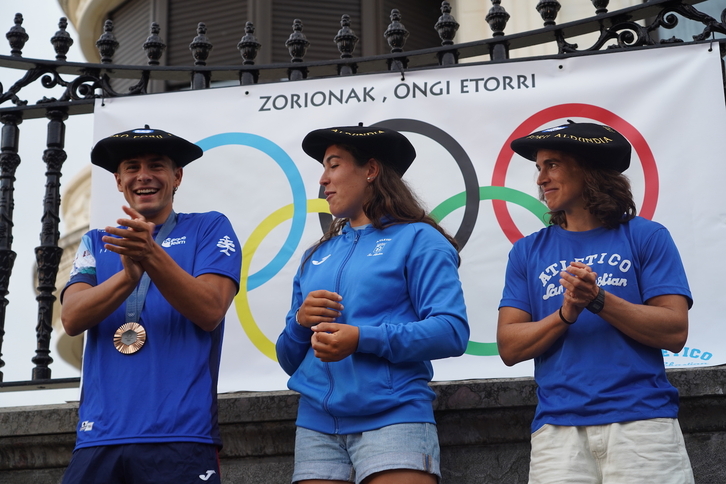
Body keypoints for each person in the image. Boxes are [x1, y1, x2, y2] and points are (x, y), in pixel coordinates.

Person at [497, 121, 694, 484]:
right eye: (538, 168)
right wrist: (565, 313)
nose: (541, 179)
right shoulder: (526, 252)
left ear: (588, 168)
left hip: (643, 427)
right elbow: (509, 346)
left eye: (552, 164)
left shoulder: (647, 236)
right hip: (557, 434)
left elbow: (675, 330)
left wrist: (599, 300)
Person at [276, 125, 469, 484]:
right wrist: (300, 322)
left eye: (333, 165)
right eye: (323, 167)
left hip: (394, 419)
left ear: (370, 170)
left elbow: (452, 331)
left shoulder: (419, 239)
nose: (323, 179)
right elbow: (289, 360)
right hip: (316, 427)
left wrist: (361, 338)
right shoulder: (316, 255)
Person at [60, 126, 241, 484]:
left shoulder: (209, 228)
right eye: (132, 167)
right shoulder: (97, 242)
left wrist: (151, 254)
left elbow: (210, 310)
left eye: (156, 166)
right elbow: (71, 317)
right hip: (99, 437)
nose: (144, 176)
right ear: (118, 180)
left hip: (181, 436)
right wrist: (128, 277)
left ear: (177, 177)